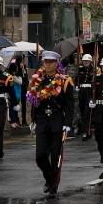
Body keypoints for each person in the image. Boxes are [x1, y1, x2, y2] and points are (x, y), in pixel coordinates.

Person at [29, 52, 74, 196]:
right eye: (45, 62)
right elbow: (35, 102)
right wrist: (33, 120)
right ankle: (49, 178)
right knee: (40, 156)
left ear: (56, 63)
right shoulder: (37, 79)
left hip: (57, 120)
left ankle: (54, 186)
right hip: (42, 120)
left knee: (55, 156)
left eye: (50, 62)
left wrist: (67, 123)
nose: (47, 65)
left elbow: (69, 105)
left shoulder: (65, 81)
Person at [74, 53, 96, 139]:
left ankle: (86, 131)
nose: (85, 62)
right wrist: (76, 86)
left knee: (88, 111)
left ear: (90, 61)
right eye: (84, 61)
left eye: (87, 61)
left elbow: (95, 82)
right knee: (82, 111)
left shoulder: (93, 70)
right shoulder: (80, 69)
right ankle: (86, 129)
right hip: (81, 91)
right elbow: (76, 79)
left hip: (89, 92)